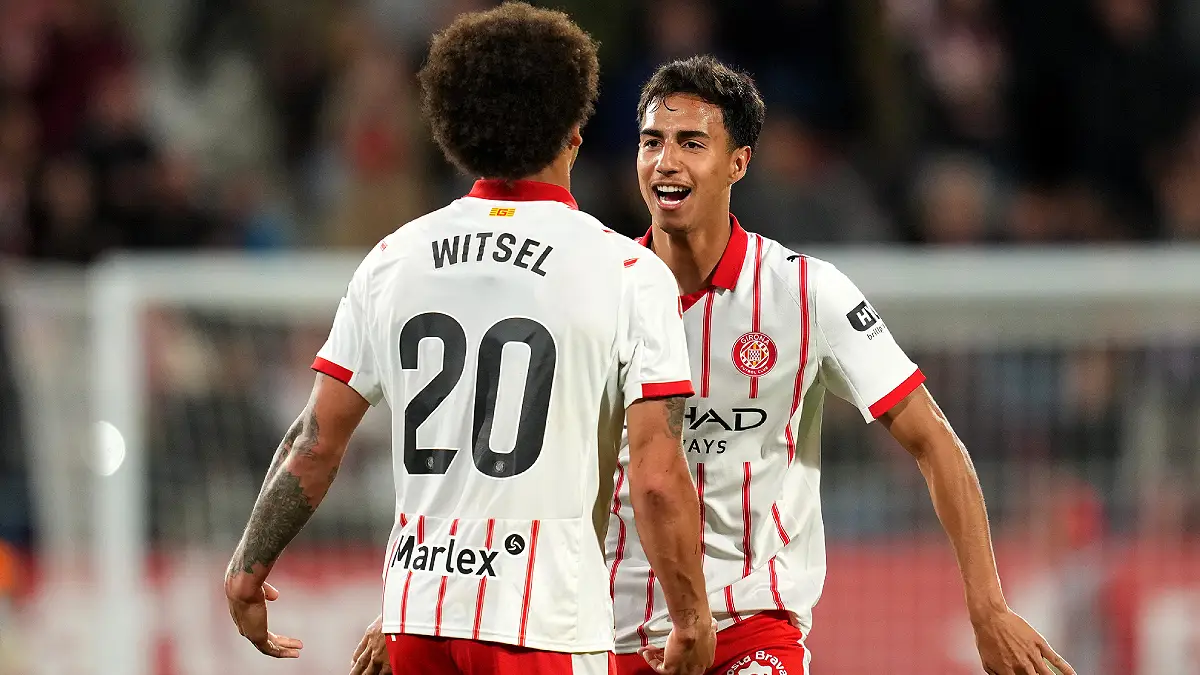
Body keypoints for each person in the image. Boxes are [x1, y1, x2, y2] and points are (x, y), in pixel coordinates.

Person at [224, 4, 716, 675]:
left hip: (416, 618)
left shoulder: (394, 258)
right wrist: (691, 615)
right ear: (574, 131)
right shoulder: (627, 271)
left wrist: (249, 566)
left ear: (456, 133)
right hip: (543, 623)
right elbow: (657, 477)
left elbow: (315, 439)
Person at [604, 56, 1076, 675]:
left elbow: (935, 443)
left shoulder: (806, 294)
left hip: (751, 629)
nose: (666, 161)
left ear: (738, 163)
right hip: (609, 636)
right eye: (652, 142)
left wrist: (987, 608)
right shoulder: (600, 291)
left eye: (692, 143)